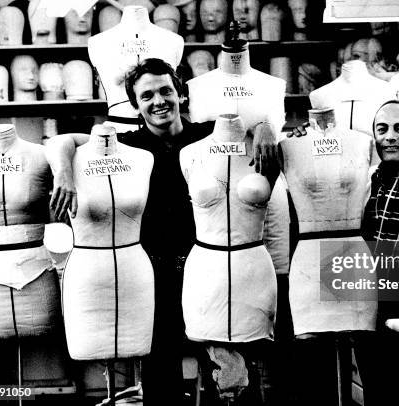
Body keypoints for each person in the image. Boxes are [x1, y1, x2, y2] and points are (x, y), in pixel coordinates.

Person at [46, 58, 278, 406]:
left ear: (181, 94)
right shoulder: (127, 145)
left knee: (225, 370)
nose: (159, 101)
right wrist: (63, 173)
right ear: (136, 105)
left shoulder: (207, 135)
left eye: (166, 91)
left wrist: (264, 127)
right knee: (160, 375)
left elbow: (252, 121)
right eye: (147, 96)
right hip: (153, 274)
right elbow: (63, 141)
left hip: (208, 270)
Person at [286, 99, 399, 405]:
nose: (390, 136)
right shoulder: (364, 178)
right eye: (382, 129)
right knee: (378, 390)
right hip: (370, 303)